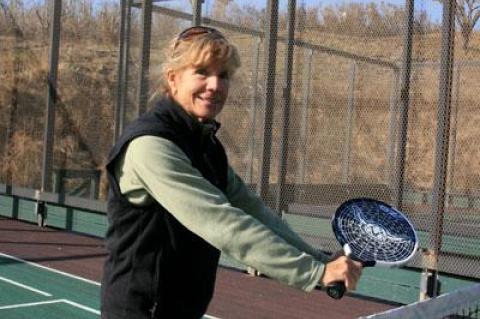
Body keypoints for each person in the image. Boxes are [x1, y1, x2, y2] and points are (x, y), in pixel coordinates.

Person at [101, 26, 363, 319]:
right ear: (173, 79)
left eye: (223, 75)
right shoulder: (150, 146)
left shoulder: (206, 145)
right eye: (201, 72)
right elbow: (222, 223)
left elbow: (254, 213)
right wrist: (315, 272)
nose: (215, 85)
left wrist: (321, 260)